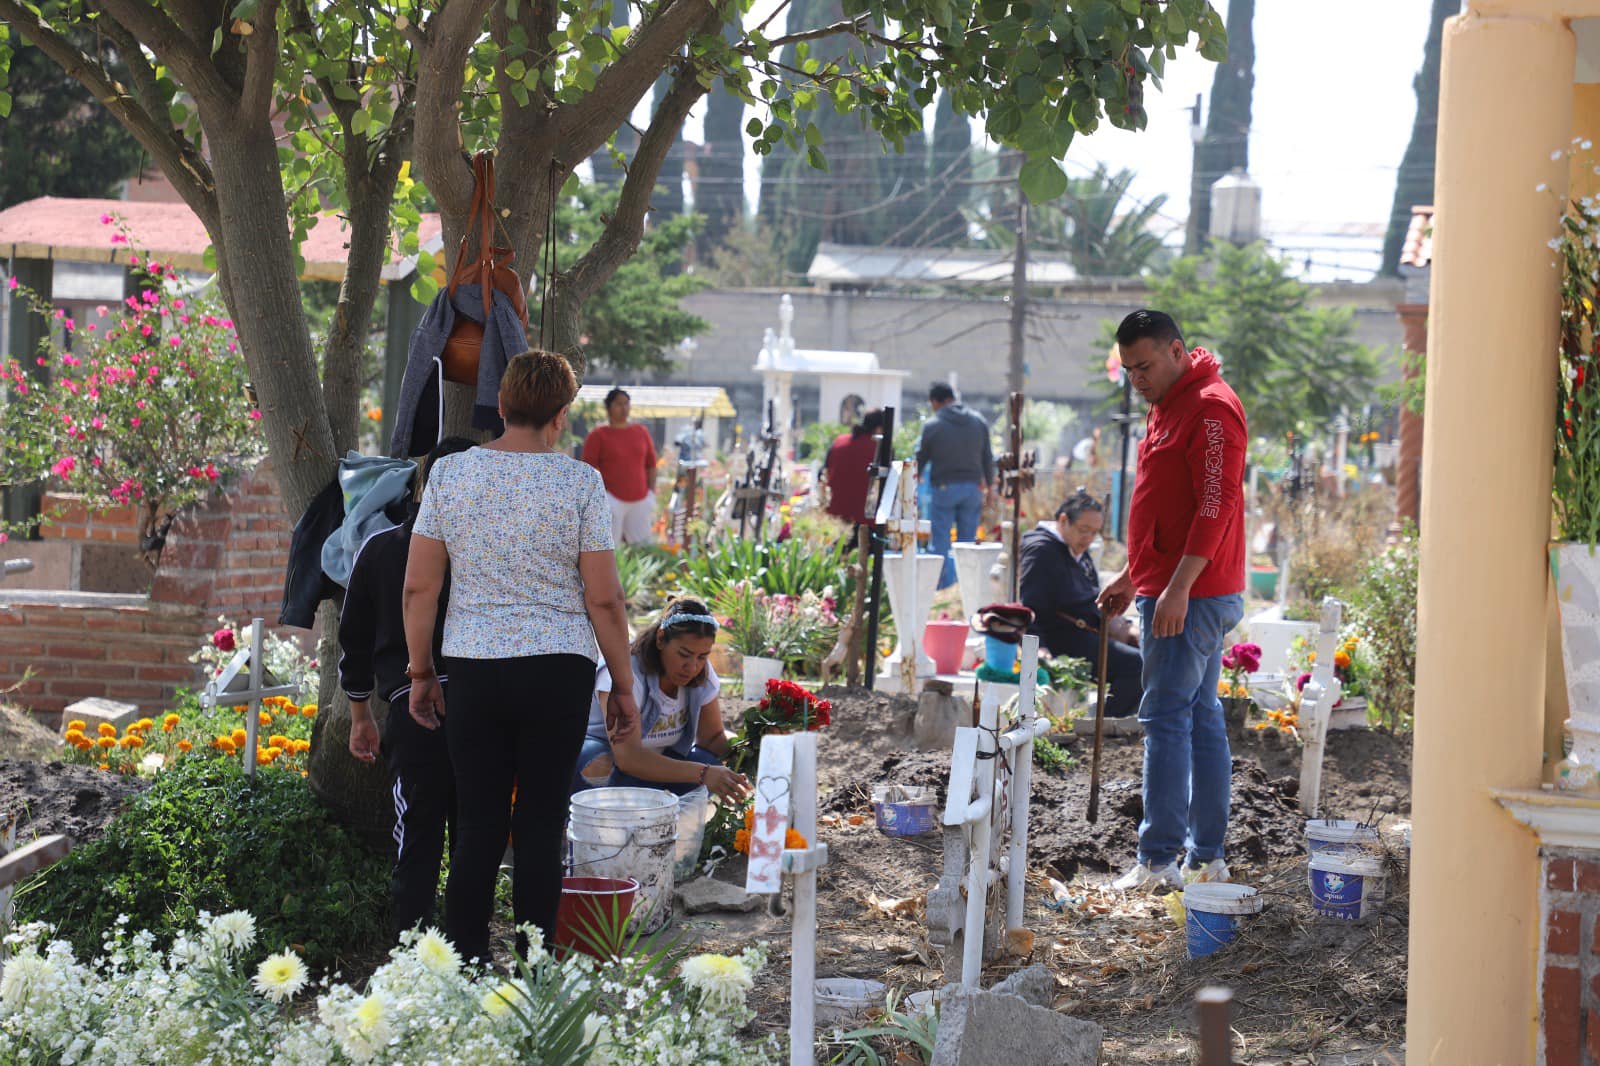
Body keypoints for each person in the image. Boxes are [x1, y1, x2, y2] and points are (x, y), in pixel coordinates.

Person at [403, 350, 641, 965]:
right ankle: (538, 975)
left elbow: (419, 588)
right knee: (541, 823)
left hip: (475, 667)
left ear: (502, 406)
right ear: (561, 416)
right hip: (558, 671)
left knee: (478, 825)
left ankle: (463, 970)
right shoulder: (579, 482)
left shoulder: (451, 476)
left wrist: (421, 670)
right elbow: (605, 600)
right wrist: (622, 683)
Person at [1096, 310, 1246, 892]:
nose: (1137, 377)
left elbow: (1215, 506)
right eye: (1129, 368)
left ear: (1177, 351)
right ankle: (1205, 857)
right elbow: (1166, 506)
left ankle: (1159, 861)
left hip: (1194, 593)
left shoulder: (1210, 407)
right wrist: (1135, 575)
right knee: (1200, 718)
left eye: (1146, 364)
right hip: (1173, 585)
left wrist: (1176, 587)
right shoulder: (1169, 402)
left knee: (1164, 719)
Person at [341, 435, 476, 940]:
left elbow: (352, 640)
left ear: (423, 482)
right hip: (478, 706)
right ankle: (467, 955)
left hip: (411, 710)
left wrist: (360, 715)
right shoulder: (486, 554)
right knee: (472, 837)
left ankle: (413, 957)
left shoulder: (382, 548)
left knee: (417, 839)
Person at [573, 599, 752, 804]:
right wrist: (703, 773)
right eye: (684, 654)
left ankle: (657, 811)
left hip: (652, 769)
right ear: (660, 639)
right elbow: (628, 758)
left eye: (702, 657)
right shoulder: (626, 674)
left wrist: (753, 746)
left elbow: (712, 739)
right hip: (614, 767)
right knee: (597, 764)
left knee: (710, 762)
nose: (692, 666)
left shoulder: (701, 676)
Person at [1018, 491, 1142, 718]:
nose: (1088, 538)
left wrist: (1122, 626)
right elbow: (1030, 604)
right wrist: (1038, 649)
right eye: (1084, 530)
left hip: (1088, 632)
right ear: (1064, 521)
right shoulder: (1042, 551)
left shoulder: (1075, 550)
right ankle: (1106, 725)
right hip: (1062, 638)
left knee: (1146, 652)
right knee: (1136, 665)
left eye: (1094, 533)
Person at [916, 382, 995, 589]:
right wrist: (991, 487)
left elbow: (921, 456)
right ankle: (965, 587)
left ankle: (940, 587)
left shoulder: (933, 425)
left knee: (940, 540)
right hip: (972, 489)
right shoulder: (978, 422)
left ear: (935, 402)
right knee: (967, 542)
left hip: (944, 488)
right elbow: (987, 457)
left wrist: (915, 478)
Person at [582, 386, 659, 545]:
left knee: (642, 547)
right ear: (609, 407)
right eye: (618, 404)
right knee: (609, 547)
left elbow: (651, 464)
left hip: (641, 498)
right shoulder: (598, 435)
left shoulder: (640, 432)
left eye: (626, 404)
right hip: (611, 499)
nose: (623, 408)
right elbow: (587, 470)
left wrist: (651, 493)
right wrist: (601, 497)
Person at [821, 409, 885, 527]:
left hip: (835, 516)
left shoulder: (839, 442)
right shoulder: (880, 448)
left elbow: (823, 473)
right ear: (879, 429)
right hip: (866, 520)